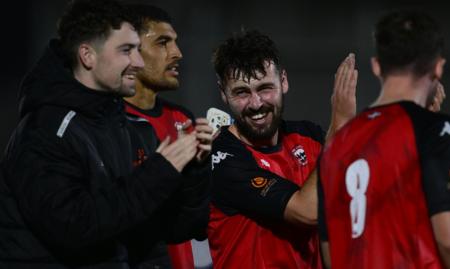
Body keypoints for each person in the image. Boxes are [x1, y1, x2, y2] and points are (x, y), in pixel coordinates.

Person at [0, 0, 208, 268]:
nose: (137, 61)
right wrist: (159, 172)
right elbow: (74, 228)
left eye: (137, 49)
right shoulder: (48, 130)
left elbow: (169, 230)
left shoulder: (122, 125)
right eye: (126, 50)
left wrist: (193, 171)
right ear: (87, 56)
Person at [319, 10, 450, 268]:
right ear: (438, 67)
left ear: (376, 66)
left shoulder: (334, 145)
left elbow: (330, 251)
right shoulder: (437, 129)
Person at [207, 30, 357, 268]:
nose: (256, 104)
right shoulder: (222, 158)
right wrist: (340, 126)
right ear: (223, 93)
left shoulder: (310, 137)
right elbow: (307, 211)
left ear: (284, 81)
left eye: (265, 88)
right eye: (241, 92)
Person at [124, 4, 213, 269]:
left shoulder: (182, 119)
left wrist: (199, 170)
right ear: (131, 51)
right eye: (163, 42)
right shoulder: (110, 123)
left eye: (175, 42)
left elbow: (196, 219)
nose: (177, 53)